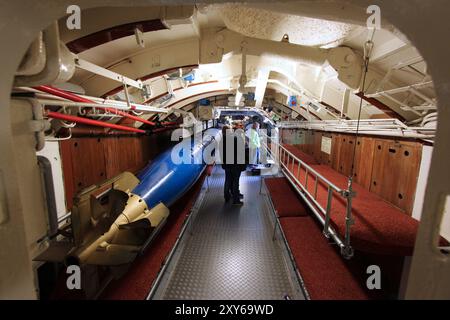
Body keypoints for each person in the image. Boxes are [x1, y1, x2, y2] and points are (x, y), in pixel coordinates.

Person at [220, 126, 246, 205]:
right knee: (235, 181)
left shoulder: (221, 140)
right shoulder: (234, 139)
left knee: (228, 180)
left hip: (227, 164)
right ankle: (236, 200)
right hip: (235, 164)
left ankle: (227, 197)